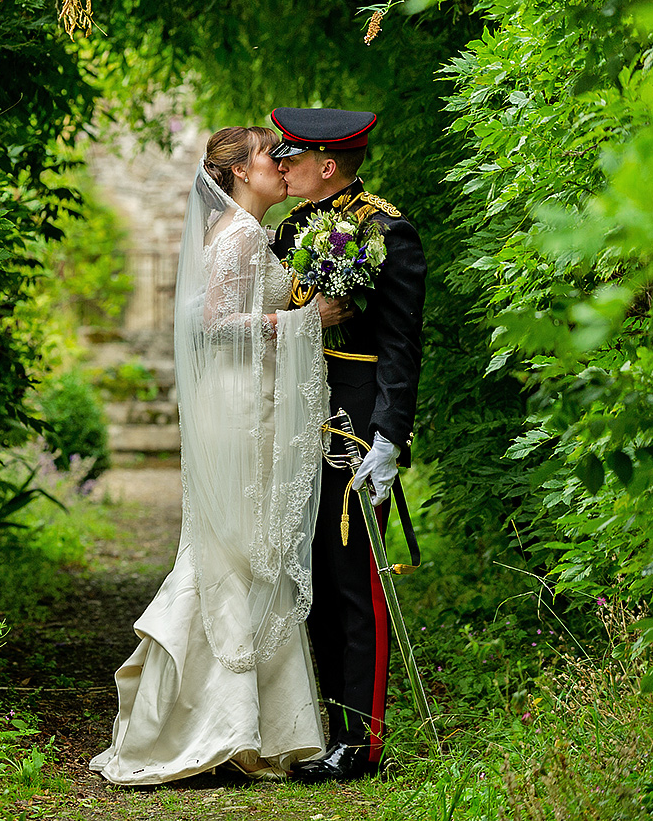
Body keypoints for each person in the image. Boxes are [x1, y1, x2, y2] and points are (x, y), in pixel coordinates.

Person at [89, 126, 351, 785]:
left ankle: (252, 728)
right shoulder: (234, 237)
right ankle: (214, 725)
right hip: (236, 407)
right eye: (271, 156)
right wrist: (301, 322)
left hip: (255, 400)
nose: (283, 164)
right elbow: (209, 327)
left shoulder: (253, 235)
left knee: (255, 548)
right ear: (237, 172)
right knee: (235, 547)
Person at [266, 107, 427, 782]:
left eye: (290, 157)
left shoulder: (389, 233)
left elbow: (400, 346)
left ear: (325, 166)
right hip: (295, 416)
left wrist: (388, 437)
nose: (280, 165)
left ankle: (361, 742)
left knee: (352, 578)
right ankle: (329, 725)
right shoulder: (292, 230)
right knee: (312, 578)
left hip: (353, 424)